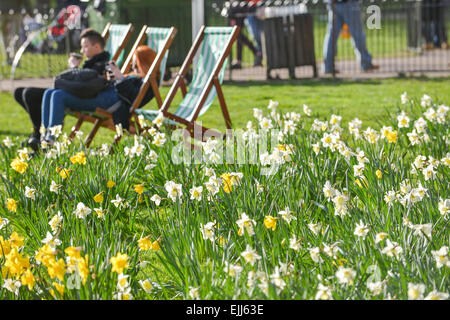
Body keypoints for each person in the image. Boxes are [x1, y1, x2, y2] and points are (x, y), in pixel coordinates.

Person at [13, 27, 110, 151]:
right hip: (77, 95)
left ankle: (47, 138)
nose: (82, 50)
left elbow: (84, 87)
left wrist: (73, 68)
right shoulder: (91, 63)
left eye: (85, 46)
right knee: (47, 92)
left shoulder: (101, 65)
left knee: (50, 94)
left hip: (87, 99)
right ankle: (43, 137)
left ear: (96, 47)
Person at [40, 45, 156, 143]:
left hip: (107, 104)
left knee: (59, 95)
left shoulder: (148, 83)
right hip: (100, 96)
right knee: (49, 92)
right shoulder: (135, 76)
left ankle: (51, 139)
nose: (132, 66)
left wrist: (120, 78)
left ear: (144, 63)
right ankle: (43, 136)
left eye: (135, 64)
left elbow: (132, 98)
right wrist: (114, 79)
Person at [323, 0, 379, 74]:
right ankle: (366, 63)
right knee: (358, 34)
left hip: (334, 3)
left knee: (331, 35)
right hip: (349, 4)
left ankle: (328, 66)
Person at [227, 0, 262, 69]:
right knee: (238, 36)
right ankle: (239, 60)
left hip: (241, 9)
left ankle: (255, 52)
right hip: (235, 9)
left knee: (238, 35)